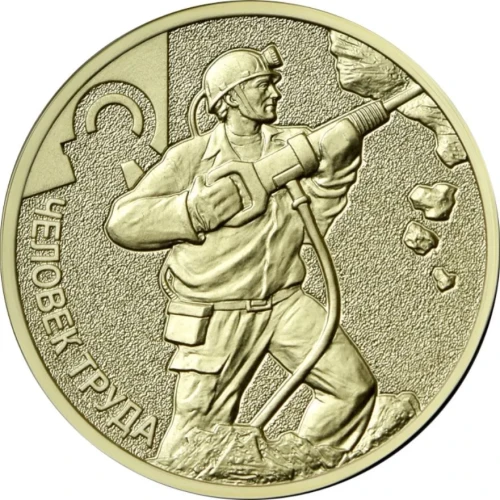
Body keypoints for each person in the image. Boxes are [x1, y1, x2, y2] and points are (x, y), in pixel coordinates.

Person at [106, 45, 377, 462]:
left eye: (272, 84)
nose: (275, 93)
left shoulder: (293, 144)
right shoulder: (191, 156)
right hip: (218, 314)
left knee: (352, 388)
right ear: (230, 97)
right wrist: (193, 210)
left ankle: (299, 469)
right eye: (261, 85)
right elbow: (123, 221)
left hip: (285, 303)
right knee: (195, 437)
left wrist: (336, 169)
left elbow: (313, 223)